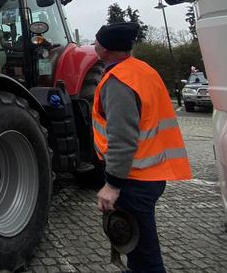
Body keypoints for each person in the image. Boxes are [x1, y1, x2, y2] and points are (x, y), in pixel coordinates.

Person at [92, 22, 192, 272]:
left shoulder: (118, 82)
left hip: (134, 178)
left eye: (96, 42)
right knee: (140, 248)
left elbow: (122, 138)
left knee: (142, 251)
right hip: (151, 173)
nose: (93, 45)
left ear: (104, 50)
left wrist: (112, 185)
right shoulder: (143, 70)